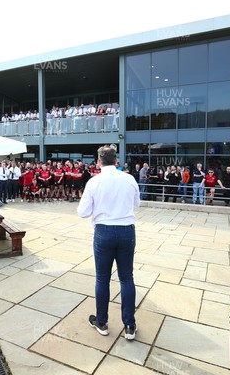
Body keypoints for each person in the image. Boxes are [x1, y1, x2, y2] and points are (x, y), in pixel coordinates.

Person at [77, 145, 140, 341]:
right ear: (116, 161)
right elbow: (136, 205)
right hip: (126, 230)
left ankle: (102, 322)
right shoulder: (129, 179)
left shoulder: (94, 182)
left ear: (98, 162)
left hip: (104, 231)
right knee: (126, 278)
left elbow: (83, 212)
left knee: (102, 278)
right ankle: (129, 325)